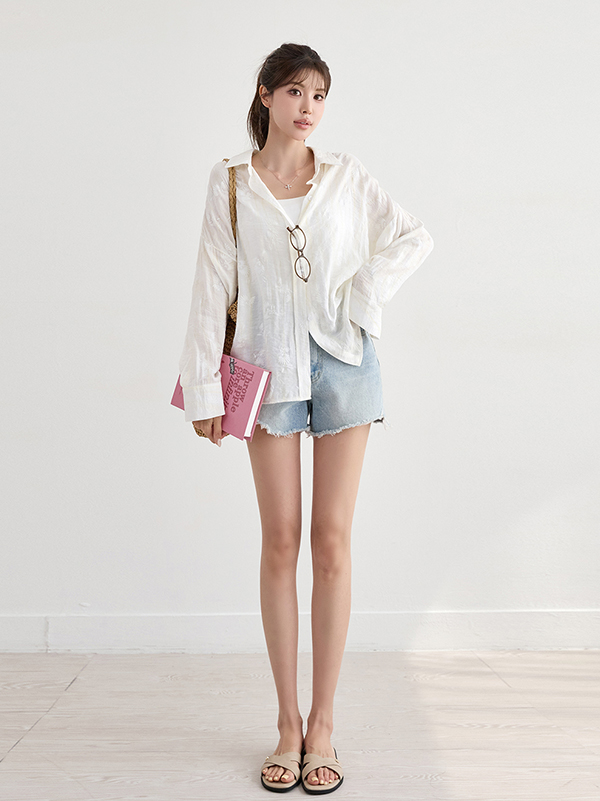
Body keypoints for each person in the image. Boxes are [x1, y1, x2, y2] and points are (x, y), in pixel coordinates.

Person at [178, 42, 434, 794]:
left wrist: (363, 296)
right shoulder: (231, 182)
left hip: (346, 365)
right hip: (267, 370)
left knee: (331, 540)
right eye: (295, 91)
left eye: (319, 94)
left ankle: (323, 725)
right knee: (281, 539)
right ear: (265, 95)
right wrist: (204, 389)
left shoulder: (347, 176)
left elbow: (413, 236)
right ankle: (286, 725)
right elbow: (210, 283)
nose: (308, 107)